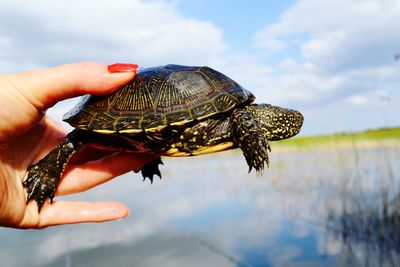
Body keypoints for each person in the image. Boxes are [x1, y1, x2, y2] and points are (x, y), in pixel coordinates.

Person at [0, 62, 156, 229]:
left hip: (148, 140)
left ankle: (150, 157)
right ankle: (45, 171)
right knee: (79, 138)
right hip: (119, 121)